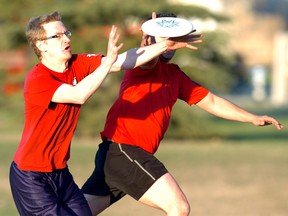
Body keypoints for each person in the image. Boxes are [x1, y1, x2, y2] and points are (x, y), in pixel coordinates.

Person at [81, 12, 284, 216]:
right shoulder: (143, 65)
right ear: (150, 37)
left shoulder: (174, 75)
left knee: (75, 212)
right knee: (178, 207)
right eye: (165, 36)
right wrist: (152, 41)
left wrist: (252, 118)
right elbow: (145, 59)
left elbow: (211, 101)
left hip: (116, 155)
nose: (171, 42)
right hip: (124, 151)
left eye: (175, 36)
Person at [9, 11, 202, 216]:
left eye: (66, 33)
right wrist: (107, 63)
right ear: (41, 45)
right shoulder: (38, 79)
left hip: (59, 173)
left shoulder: (77, 63)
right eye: (57, 36)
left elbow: (125, 61)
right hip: (31, 177)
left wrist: (164, 45)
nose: (66, 38)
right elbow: (78, 95)